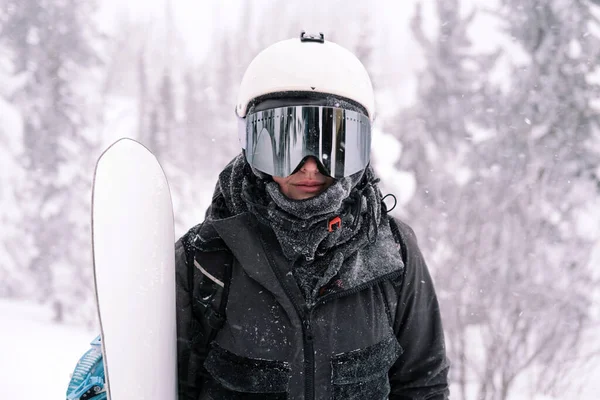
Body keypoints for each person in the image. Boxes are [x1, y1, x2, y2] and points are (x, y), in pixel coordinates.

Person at [175, 32, 450, 400]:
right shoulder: (207, 260)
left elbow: (422, 385)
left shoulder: (392, 255)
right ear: (251, 146)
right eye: (284, 145)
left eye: (333, 147)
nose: (308, 168)